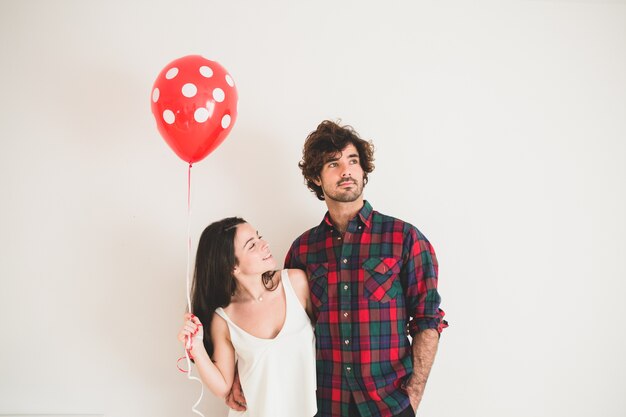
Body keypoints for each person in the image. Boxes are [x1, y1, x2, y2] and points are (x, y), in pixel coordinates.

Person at [226, 120, 448, 417]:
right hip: (325, 403)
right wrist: (240, 373)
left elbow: (427, 320)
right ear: (317, 178)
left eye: (353, 161)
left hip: (389, 404)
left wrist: (414, 394)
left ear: (363, 170)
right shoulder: (303, 250)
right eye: (333, 164)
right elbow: (278, 324)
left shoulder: (404, 238)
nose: (346, 170)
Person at [178, 217, 317, 417]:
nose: (264, 244)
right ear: (232, 266)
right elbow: (223, 387)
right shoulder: (224, 318)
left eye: (259, 237)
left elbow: (328, 336)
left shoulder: (296, 282)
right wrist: (197, 347)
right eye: (252, 245)